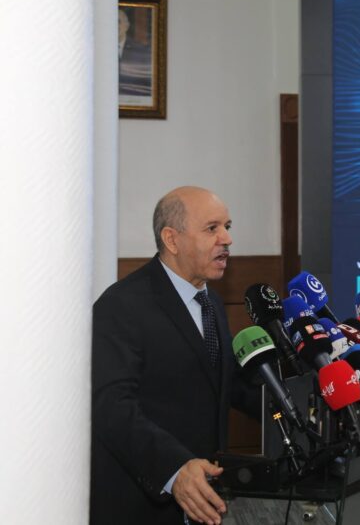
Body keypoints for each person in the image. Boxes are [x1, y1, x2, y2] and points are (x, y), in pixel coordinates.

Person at [91, 186, 256, 525]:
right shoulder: (121, 305)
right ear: (172, 239)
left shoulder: (211, 303)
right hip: (142, 508)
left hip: (206, 500)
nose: (227, 239)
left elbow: (227, 384)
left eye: (227, 226)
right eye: (212, 228)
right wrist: (174, 469)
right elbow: (112, 407)